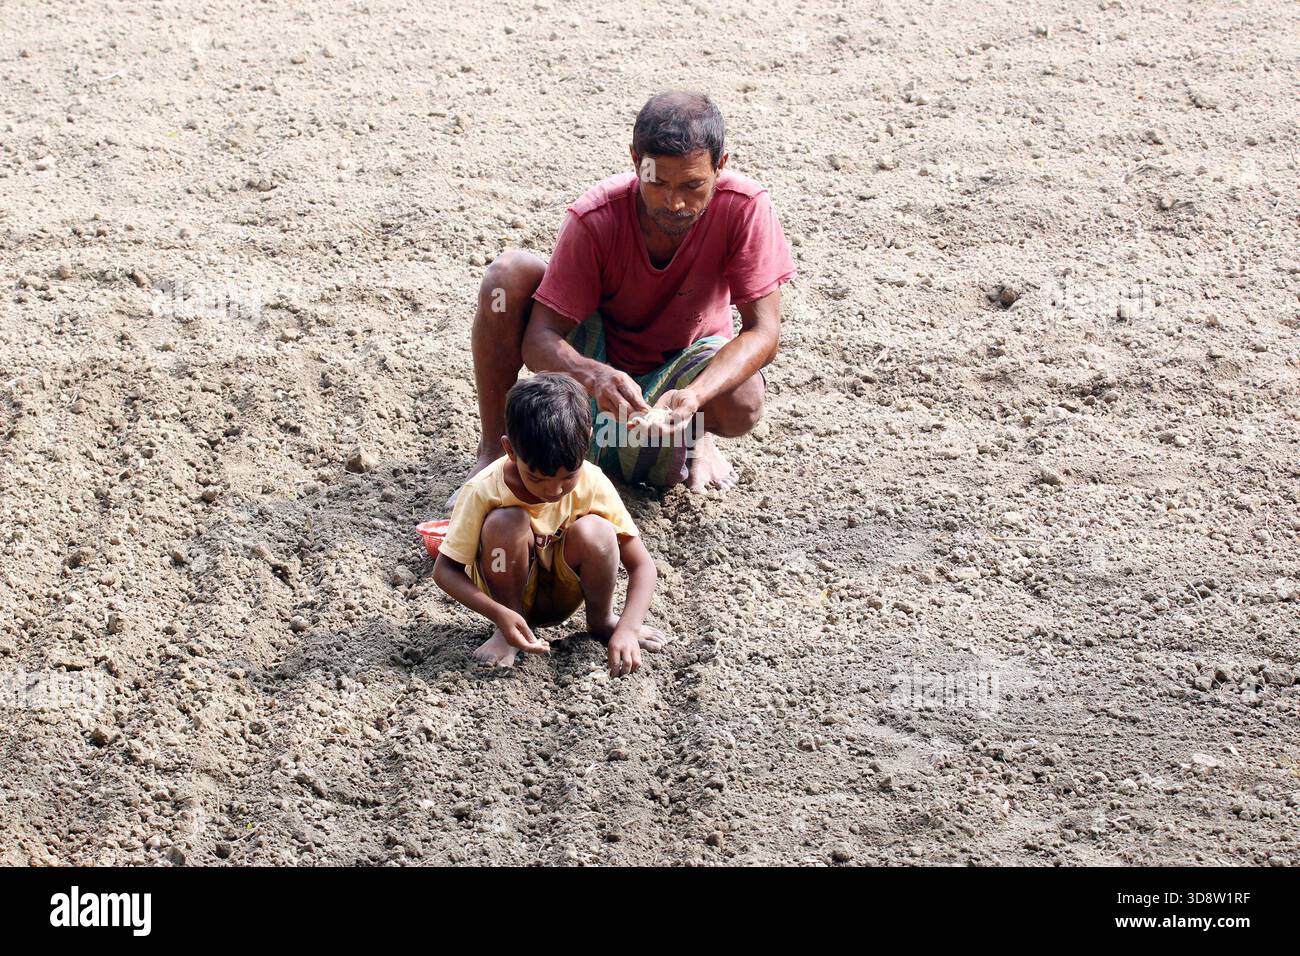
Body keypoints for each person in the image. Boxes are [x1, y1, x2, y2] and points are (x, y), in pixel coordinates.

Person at [449, 89, 795, 506]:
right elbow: (540, 337)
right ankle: (492, 451)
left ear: (720, 166)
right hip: (599, 373)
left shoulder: (745, 207)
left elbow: (764, 331)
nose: (675, 202)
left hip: (683, 371)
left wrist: (697, 394)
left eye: (692, 184)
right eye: (658, 182)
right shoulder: (596, 216)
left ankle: (696, 437)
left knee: (744, 399)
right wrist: (595, 376)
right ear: (635, 161)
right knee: (506, 279)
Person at [432, 373, 668, 678]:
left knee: (597, 530)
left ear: (586, 448)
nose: (554, 491)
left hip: (565, 589)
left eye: (568, 477)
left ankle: (602, 621)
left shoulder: (592, 481)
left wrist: (628, 626)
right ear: (511, 451)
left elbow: (643, 566)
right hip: (506, 587)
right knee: (506, 521)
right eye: (538, 478)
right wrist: (498, 614)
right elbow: (445, 570)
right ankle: (511, 628)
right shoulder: (483, 490)